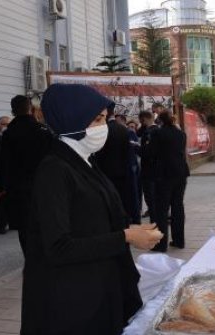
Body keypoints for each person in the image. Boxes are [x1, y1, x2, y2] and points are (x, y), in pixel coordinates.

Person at [22, 84, 162, 334]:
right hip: (72, 305)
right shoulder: (54, 170)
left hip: (97, 290)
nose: (104, 127)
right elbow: (58, 247)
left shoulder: (83, 160)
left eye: (105, 119)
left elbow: (89, 220)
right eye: (97, 119)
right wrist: (126, 237)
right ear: (72, 118)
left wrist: (129, 229)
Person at [0, 95, 54, 254]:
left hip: (17, 189)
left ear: (13, 111)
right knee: (46, 224)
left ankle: (30, 260)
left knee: (24, 228)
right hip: (43, 186)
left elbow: (4, 163)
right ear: (31, 109)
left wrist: (1, 186)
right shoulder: (42, 131)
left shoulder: (8, 134)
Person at [150, 111, 190, 252]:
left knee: (162, 210)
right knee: (178, 206)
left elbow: (151, 153)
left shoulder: (157, 134)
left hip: (164, 174)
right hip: (180, 173)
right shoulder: (181, 134)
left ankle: (161, 244)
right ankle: (179, 241)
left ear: (160, 121)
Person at [95, 108, 140, 225]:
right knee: (123, 199)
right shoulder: (123, 129)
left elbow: (99, 153)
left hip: (105, 173)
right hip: (123, 172)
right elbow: (129, 152)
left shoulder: (102, 130)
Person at [137, 111, 157, 219]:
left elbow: (146, 152)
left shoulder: (149, 133)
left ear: (143, 119)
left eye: (141, 121)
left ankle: (154, 221)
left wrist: (135, 148)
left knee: (150, 197)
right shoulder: (157, 130)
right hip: (157, 170)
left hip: (148, 170)